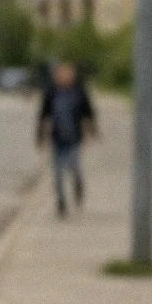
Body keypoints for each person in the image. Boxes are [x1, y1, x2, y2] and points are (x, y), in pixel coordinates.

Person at [37, 61, 97, 217]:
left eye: (67, 74)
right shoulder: (51, 92)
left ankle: (78, 183)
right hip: (57, 137)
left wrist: (92, 130)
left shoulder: (79, 92)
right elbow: (43, 115)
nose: (63, 77)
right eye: (60, 74)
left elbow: (88, 112)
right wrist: (40, 136)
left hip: (75, 137)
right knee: (57, 171)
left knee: (73, 165)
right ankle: (61, 202)